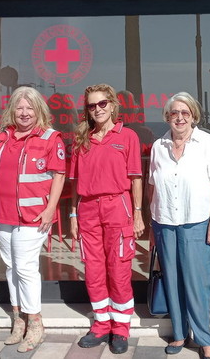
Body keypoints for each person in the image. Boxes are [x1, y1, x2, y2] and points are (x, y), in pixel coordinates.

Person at [148, 92, 210, 359]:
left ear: (193, 115)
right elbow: (152, 186)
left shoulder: (206, 142)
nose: (179, 117)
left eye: (185, 113)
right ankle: (179, 333)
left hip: (197, 222)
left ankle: (205, 340)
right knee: (172, 281)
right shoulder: (159, 145)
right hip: (165, 222)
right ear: (167, 116)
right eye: (174, 113)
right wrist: (151, 224)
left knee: (197, 283)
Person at [69, 84, 144, 355]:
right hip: (88, 209)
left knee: (119, 269)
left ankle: (121, 327)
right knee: (94, 269)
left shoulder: (128, 137)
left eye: (102, 104)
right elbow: (76, 183)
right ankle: (101, 323)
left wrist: (137, 213)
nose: (97, 109)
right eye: (92, 105)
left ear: (112, 105)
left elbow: (136, 178)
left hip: (117, 206)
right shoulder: (82, 139)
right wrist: (73, 215)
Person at [0, 86, 66, 353]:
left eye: (29, 108)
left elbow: (59, 175)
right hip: (2, 213)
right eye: (20, 107)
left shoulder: (50, 138)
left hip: (34, 214)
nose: (24, 113)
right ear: (12, 110)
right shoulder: (0, 136)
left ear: (39, 110)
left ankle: (36, 323)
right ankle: (18, 320)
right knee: (11, 267)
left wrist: (50, 209)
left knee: (25, 267)